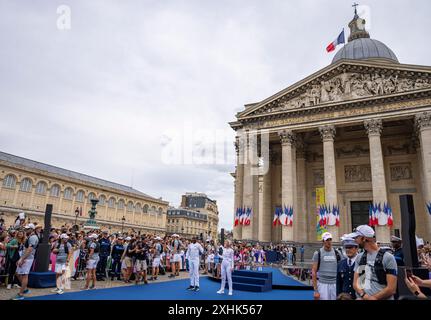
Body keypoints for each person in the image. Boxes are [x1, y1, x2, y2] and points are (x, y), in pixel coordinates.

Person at [352, 225, 398, 300]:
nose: (355, 240)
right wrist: (364, 295)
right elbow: (355, 283)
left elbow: (391, 289)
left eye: (356, 237)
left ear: (364, 238)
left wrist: (373, 298)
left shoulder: (388, 257)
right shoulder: (359, 257)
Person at [11, 224, 39, 300]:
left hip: (28, 258)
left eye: (27, 229)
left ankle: (21, 294)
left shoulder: (33, 237)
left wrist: (22, 259)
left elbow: (29, 250)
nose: (25, 230)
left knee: (24, 275)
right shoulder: (30, 236)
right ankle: (25, 289)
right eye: (25, 229)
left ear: (32, 229)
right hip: (25, 258)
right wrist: (21, 258)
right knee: (17, 273)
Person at [312, 232, 341, 300]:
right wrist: (316, 290)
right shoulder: (317, 253)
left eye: (330, 239)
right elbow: (314, 271)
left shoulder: (337, 253)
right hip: (322, 285)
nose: (329, 242)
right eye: (327, 240)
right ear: (323, 241)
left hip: (335, 284)